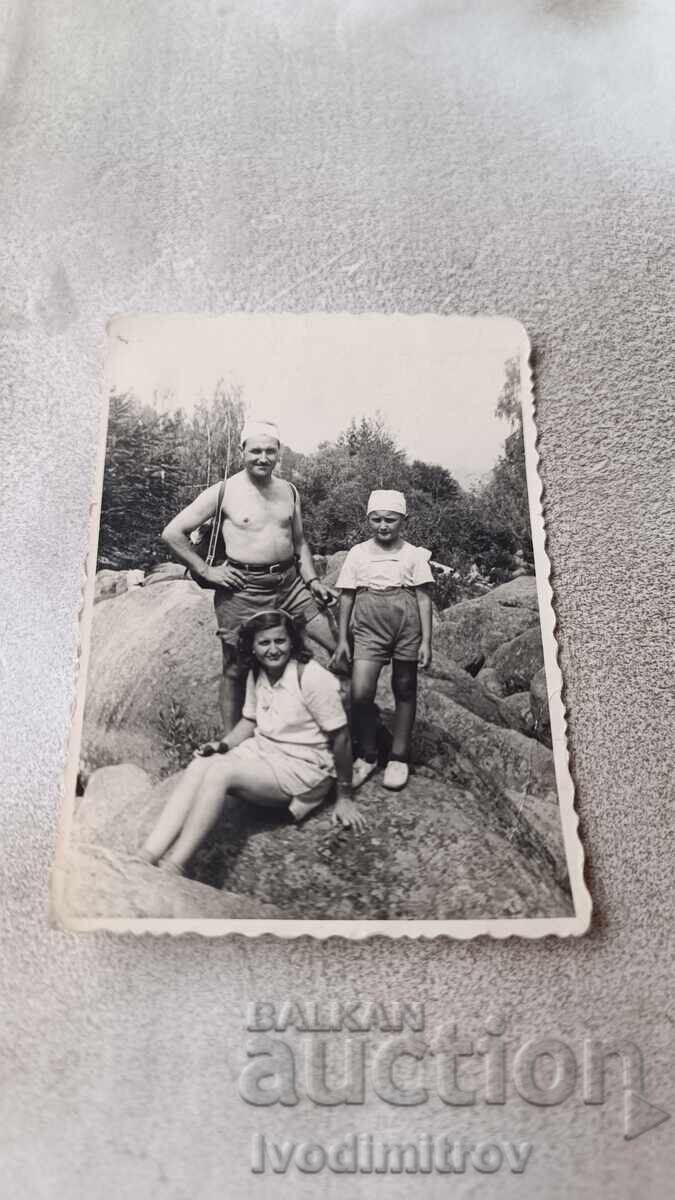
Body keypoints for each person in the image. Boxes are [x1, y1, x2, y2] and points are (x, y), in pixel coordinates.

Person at [139, 611, 365, 875]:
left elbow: (341, 737)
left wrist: (345, 797)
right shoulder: (258, 671)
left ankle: (174, 865)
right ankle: (148, 853)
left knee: (221, 772)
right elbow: (249, 721)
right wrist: (222, 746)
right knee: (203, 763)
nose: (273, 650)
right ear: (253, 647)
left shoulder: (312, 677)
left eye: (279, 641)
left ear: (292, 641)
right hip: (264, 753)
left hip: (302, 767)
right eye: (264, 643)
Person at [160, 419, 337, 734]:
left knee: (340, 647)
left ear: (278, 452)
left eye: (270, 451)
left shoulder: (289, 491)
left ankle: (339, 732)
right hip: (243, 589)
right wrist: (205, 571)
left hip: (291, 584)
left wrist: (312, 581)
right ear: (242, 451)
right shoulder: (225, 491)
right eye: (255, 450)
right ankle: (233, 744)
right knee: (235, 669)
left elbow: (299, 542)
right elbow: (173, 533)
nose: (263, 458)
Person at [332, 490, 433, 791]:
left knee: (404, 686)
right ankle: (367, 752)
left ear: (403, 520)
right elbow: (346, 596)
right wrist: (341, 640)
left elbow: (424, 598)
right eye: (376, 519)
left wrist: (426, 640)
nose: (383, 525)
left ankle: (399, 756)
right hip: (367, 624)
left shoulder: (413, 554)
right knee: (361, 692)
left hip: (406, 622)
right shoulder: (358, 553)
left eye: (390, 519)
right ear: (368, 519)